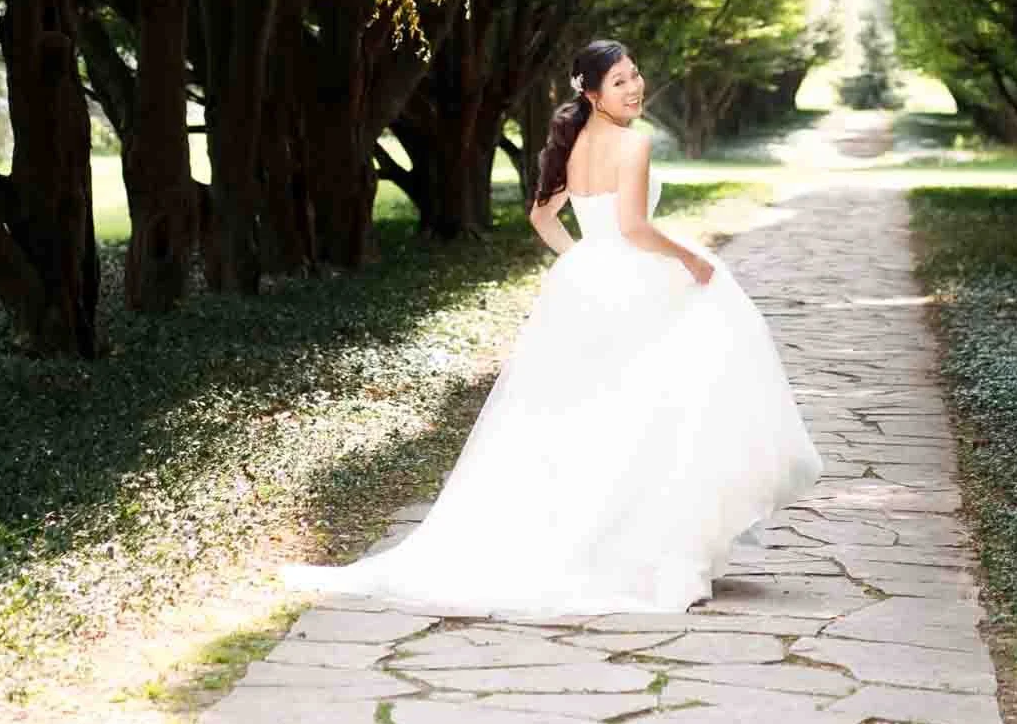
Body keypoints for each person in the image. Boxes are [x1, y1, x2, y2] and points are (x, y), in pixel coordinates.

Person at [278, 37, 821, 618]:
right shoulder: (631, 145)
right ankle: (645, 549)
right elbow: (636, 228)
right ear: (591, 91)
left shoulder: (570, 141)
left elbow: (543, 216)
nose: (634, 86)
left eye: (635, 74)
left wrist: (581, 259)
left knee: (591, 411)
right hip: (634, 278)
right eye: (619, 81)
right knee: (657, 407)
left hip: (590, 283)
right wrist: (689, 260)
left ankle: (610, 537)